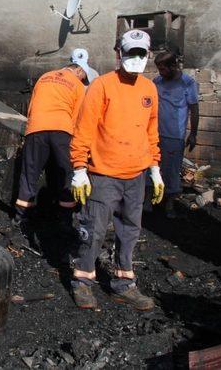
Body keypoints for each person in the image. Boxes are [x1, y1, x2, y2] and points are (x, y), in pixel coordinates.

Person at [69, 29, 164, 311]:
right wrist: (79, 168)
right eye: (130, 52)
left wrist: (155, 168)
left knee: (130, 231)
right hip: (103, 175)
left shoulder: (149, 89)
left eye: (141, 53)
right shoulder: (102, 86)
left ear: (147, 55)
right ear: (118, 53)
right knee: (93, 230)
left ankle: (124, 284)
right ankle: (82, 281)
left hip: (136, 176)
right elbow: (83, 129)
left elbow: (151, 132)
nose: (135, 58)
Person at [14, 58, 93, 235]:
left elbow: (32, 106)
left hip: (36, 128)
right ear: (79, 71)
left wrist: (30, 129)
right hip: (62, 130)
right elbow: (77, 117)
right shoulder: (77, 85)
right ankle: (64, 218)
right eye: (84, 77)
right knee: (66, 174)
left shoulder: (44, 77)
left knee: (30, 174)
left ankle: (21, 217)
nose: (83, 81)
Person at [153, 51, 199, 218]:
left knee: (171, 171)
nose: (160, 73)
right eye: (158, 69)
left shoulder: (187, 83)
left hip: (174, 136)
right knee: (151, 168)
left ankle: (170, 204)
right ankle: (149, 202)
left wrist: (193, 133)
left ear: (173, 66)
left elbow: (194, 109)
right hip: (154, 134)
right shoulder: (157, 81)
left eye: (163, 69)